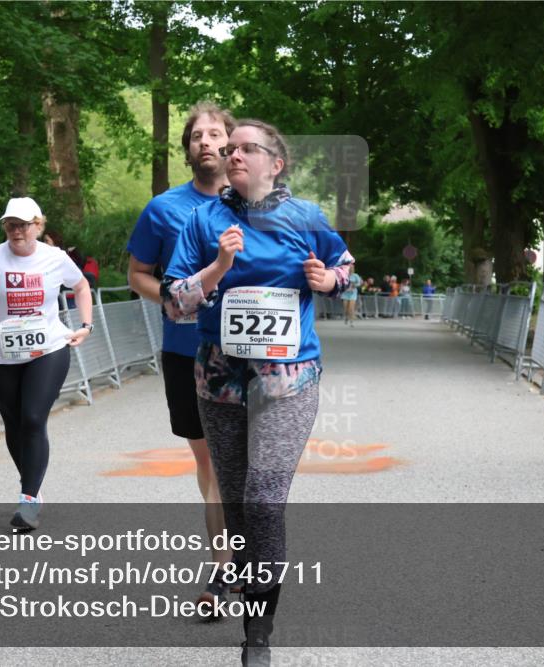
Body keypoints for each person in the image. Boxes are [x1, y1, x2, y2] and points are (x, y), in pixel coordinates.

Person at [163, 119, 353, 664]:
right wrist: (218, 266)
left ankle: (257, 634)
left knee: (263, 501)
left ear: (276, 162)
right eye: (230, 149)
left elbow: (346, 268)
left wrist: (328, 281)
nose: (234, 155)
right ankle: (252, 592)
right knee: (239, 505)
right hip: (220, 379)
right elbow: (175, 302)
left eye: (248, 148)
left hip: (288, 379)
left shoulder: (307, 218)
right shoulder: (203, 220)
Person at [126, 101, 237, 611]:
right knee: (210, 461)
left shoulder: (258, 206)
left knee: (250, 463)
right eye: (196, 136)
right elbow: (137, 275)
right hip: (185, 350)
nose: (205, 142)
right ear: (188, 149)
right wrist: (177, 302)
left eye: (215, 134)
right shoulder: (165, 208)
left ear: (233, 145)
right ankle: (222, 566)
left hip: (246, 354)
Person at [0, 197, 92, 531]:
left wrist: (85, 325)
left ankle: (28, 500)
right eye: (11, 225)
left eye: (24, 225)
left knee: (33, 418)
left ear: (38, 225)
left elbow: (81, 284)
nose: (17, 231)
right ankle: (32, 482)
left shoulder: (55, 258)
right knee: (14, 423)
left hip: (47, 348)